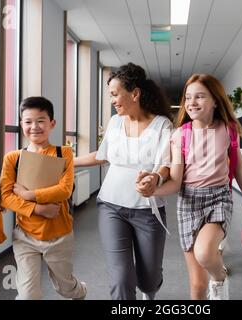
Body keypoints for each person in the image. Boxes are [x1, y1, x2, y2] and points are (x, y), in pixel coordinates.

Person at [137, 74, 242, 300]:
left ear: (215, 100)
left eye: (200, 96)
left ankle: (220, 276)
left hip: (218, 199)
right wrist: (153, 190)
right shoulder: (180, 135)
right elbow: (175, 181)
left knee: (205, 253)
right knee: (197, 287)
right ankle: (215, 277)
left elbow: (240, 170)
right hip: (189, 203)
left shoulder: (229, 129)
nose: (192, 102)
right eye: (188, 97)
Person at [74, 63, 173, 300]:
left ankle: (149, 292)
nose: (112, 100)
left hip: (147, 210)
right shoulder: (115, 123)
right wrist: (67, 162)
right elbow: (102, 156)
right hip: (111, 206)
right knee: (120, 278)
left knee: (149, 279)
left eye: (115, 94)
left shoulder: (162, 125)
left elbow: (167, 166)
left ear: (135, 93)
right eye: (111, 95)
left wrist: (154, 177)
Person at [0, 96, 87, 300]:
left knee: (66, 288)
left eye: (40, 120)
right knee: (28, 295)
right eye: (28, 121)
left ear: (52, 123)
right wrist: (38, 209)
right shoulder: (13, 158)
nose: (34, 127)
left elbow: (65, 190)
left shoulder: (63, 153)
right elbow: (5, 196)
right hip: (25, 236)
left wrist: (29, 195)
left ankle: (79, 290)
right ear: (21, 124)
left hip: (59, 235)